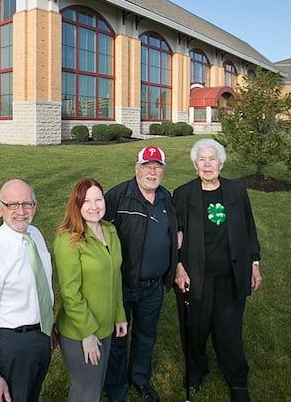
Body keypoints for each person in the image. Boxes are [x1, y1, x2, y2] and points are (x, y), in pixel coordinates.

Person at [172, 139, 262, 402]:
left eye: (212, 159)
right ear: (195, 164)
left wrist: (254, 264)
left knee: (229, 331)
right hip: (194, 276)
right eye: (202, 159)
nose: (207, 164)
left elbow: (249, 230)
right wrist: (178, 266)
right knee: (194, 329)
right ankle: (196, 370)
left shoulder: (237, 191)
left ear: (221, 163)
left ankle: (237, 380)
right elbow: (174, 237)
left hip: (230, 277)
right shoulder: (183, 194)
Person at [103, 146, 182, 402]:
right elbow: (95, 229)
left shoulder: (165, 197)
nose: (152, 171)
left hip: (154, 286)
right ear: (136, 168)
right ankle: (115, 388)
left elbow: (174, 232)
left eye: (157, 166)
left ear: (163, 170)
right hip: (123, 284)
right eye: (146, 166)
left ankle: (139, 379)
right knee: (117, 338)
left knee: (146, 335)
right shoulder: (117, 196)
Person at [0, 179, 54, 402]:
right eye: (12, 205)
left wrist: (48, 326)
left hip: (42, 336)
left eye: (27, 204)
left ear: (35, 206)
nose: (21, 211)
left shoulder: (35, 235)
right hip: (15, 346)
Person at [53, 178, 128, 402]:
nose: (94, 206)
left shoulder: (110, 230)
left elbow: (115, 277)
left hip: (105, 327)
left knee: (94, 387)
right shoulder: (68, 240)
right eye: (86, 201)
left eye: (98, 199)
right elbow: (70, 294)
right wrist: (87, 334)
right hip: (81, 332)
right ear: (76, 205)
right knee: (86, 393)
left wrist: (119, 315)